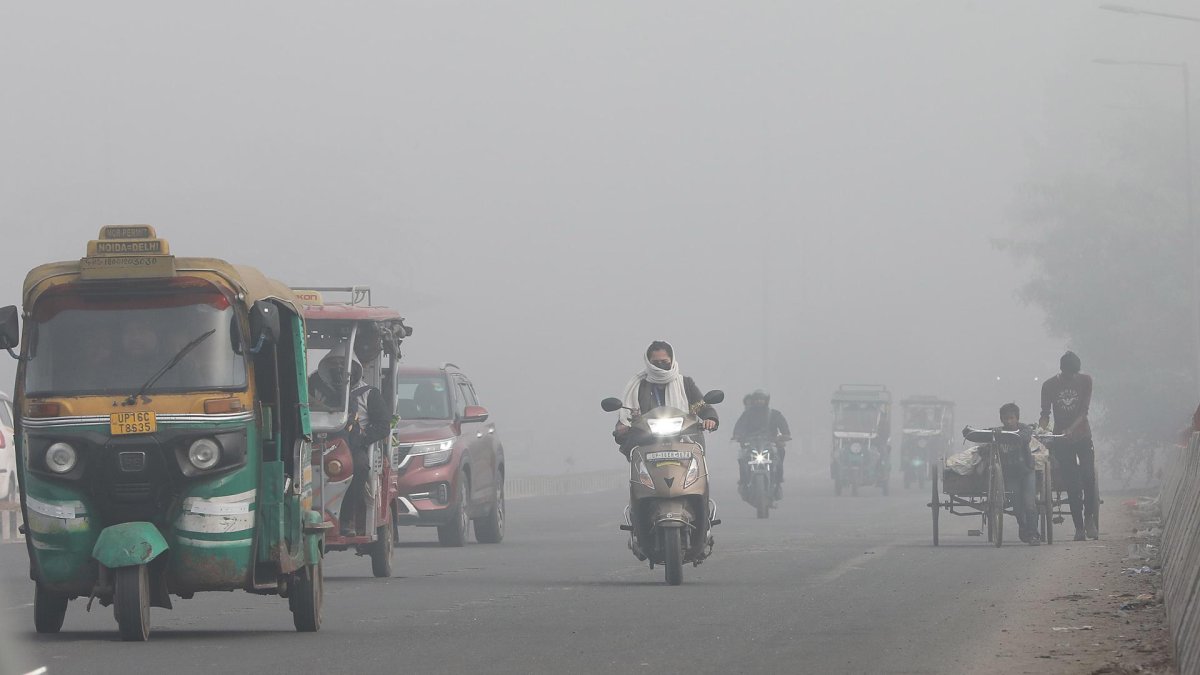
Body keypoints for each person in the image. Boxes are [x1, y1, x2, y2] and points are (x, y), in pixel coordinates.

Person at [309, 345, 389, 536]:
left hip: (353, 445)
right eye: (334, 365)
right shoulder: (315, 388)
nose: (339, 369)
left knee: (359, 467)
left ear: (354, 368)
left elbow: (383, 425)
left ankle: (347, 519)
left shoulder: (369, 394)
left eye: (343, 365)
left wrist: (362, 438)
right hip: (318, 443)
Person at [613, 340, 718, 455]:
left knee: (698, 467)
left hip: (684, 440)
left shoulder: (685, 383)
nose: (660, 365)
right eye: (655, 362)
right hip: (647, 443)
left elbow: (702, 406)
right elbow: (626, 414)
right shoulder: (639, 386)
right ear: (648, 362)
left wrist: (710, 419)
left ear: (671, 360)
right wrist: (622, 428)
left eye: (664, 361)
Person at [1039, 350, 1097, 541]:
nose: (1072, 376)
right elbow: (1045, 413)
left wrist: (1071, 428)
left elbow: (1084, 412)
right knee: (1072, 485)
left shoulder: (1085, 381)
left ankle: (1089, 517)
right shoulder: (1049, 385)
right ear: (1062, 370)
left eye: (1075, 373)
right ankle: (1079, 527)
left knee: (1088, 477)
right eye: (1069, 373)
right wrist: (1042, 428)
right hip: (1062, 441)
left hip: (1082, 436)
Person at [993, 403, 1040, 546]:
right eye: (1006, 419)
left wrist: (1004, 436)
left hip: (1027, 471)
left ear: (1017, 418)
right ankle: (1023, 527)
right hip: (1010, 475)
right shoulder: (998, 432)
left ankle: (1033, 534)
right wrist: (996, 434)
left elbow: (1025, 437)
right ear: (1002, 419)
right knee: (1017, 507)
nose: (1009, 421)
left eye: (1012, 418)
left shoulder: (1025, 430)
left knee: (1029, 503)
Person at [731, 390, 791, 499]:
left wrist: (785, 435)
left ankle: (778, 482)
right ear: (753, 401)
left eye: (762, 399)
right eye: (757, 399)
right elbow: (739, 427)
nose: (759, 402)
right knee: (742, 458)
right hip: (752, 445)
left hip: (769, 444)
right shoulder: (747, 414)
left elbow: (784, 427)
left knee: (780, 454)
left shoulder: (774, 414)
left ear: (766, 401)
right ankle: (744, 482)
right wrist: (737, 435)